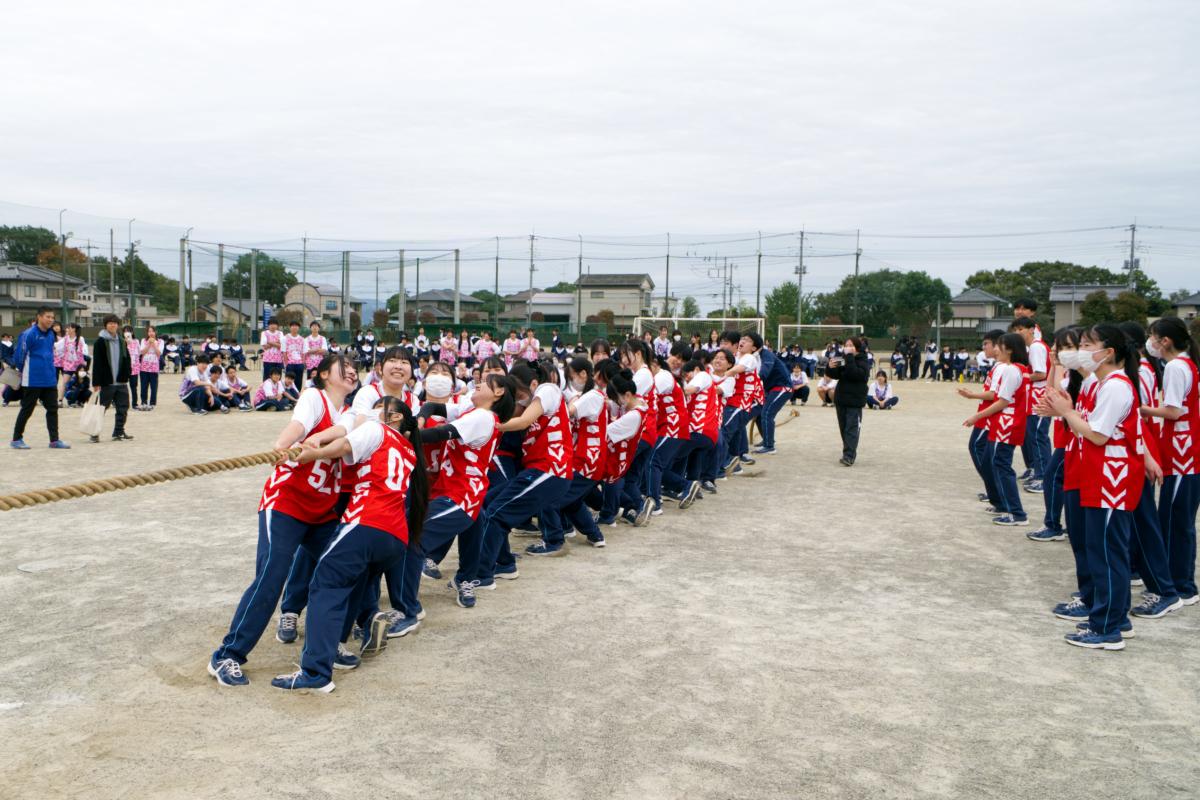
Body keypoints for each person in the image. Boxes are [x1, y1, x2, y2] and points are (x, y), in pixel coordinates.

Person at [207, 354, 358, 687]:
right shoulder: (313, 396)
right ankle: (227, 656)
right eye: (343, 365)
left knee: (338, 572)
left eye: (355, 368)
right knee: (272, 576)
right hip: (287, 502)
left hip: (322, 510)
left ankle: (328, 646)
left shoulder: (351, 412)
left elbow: (350, 429)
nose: (351, 370)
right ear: (322, 374)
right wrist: (282, 444)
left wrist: (319, 441)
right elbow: (300, 424)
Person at [1037, 324, 1146, 649]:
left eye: (1087, 345)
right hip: (1098, 475)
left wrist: (1067, 413)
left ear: (1108, 352)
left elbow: (1097, 434)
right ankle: (1112, 618)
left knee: (1108, 553)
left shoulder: (1115, 387)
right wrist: (1066, 410)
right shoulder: (1100, 384)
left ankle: (1107, 628)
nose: (1081, 350)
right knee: (1100, 550)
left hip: (1111, 478)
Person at [1141, 317, 1200, 606]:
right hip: (1183, 450)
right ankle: (1181, 582)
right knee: (1178, 519)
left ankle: (1181, 585)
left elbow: (1174, 411)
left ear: (1165, 341)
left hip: (1182, 454)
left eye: (1153, 336)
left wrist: (1143, 410)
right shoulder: (1184, 364)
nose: (1150, 342)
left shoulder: (1177, 366)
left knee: (1176, 520)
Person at [964, 332, 1030, 526]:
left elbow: (1002, 400)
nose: (995, 349)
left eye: (999, 346)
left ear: (1009, 349)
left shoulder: (1011, 370)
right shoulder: (1018, 368)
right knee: (997, 464)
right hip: (1007, 422)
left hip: (1006, 423)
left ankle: (1016, 512)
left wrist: (977, 416)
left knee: (1001, 465)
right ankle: (1009, 508)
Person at [957, 330, 1005, 504]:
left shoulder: (1002, 367)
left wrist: (972, 395)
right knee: (979, 449)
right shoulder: (997, 366)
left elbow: (995, 395)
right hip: (987, 413)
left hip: (989, 415)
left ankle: (994, 490)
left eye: (986, 344)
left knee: (978, 448)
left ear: (997, 345)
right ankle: (992, 489)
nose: (984, 347)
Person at [1012, 317, 1051, 493]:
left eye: (1021, 329)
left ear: (1031, 329)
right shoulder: (1033, 347)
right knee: (1033, 436)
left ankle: (1044, 477)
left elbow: (1041, 373)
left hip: (1040, 398)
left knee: (1038, 436)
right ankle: (1038, 472)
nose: (1018, 333)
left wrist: (1021, 377)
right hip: (1034, 397)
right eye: (1015, 330)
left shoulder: (1036, 346)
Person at [87, 315, 134, 444]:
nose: (113, 325)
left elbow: (127, 359)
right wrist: (96, 382)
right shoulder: (100, 342)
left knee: (123, 408)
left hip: (121, 381)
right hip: (107, 382)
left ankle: (119, 431)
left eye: (115, 323)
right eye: (110, 323)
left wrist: (127, 374)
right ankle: (94, 433)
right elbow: (97, 364)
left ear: (118, 325)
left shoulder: (121, 341)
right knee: (101, 408)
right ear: (105, 325)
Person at [825, 337, 869, 466]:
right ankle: (848, 452)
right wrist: (830, 367)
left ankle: (849, 456)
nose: (848, 347)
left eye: (851, 345)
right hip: (841, 399)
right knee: (844, 428)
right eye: (846, 345)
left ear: (857, 347)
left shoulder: (863, 360)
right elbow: (835, 374)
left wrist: (849, 357)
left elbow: (855, 375)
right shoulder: (843, 359)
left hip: (855, 401)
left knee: (852, 429)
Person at [138, 327, 163, 410]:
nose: (151, 333)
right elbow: (142, 352)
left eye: (152, 331)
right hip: (144, 366)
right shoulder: (143, 341)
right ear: (147, 333)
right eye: (149, 331)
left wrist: (154, 344)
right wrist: (148, 344)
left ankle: (152, 403)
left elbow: (159, 353)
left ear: (156, 332)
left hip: (154, 366)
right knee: (144, 385)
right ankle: (143, 402)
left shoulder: (160, 341)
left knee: (154, 386)